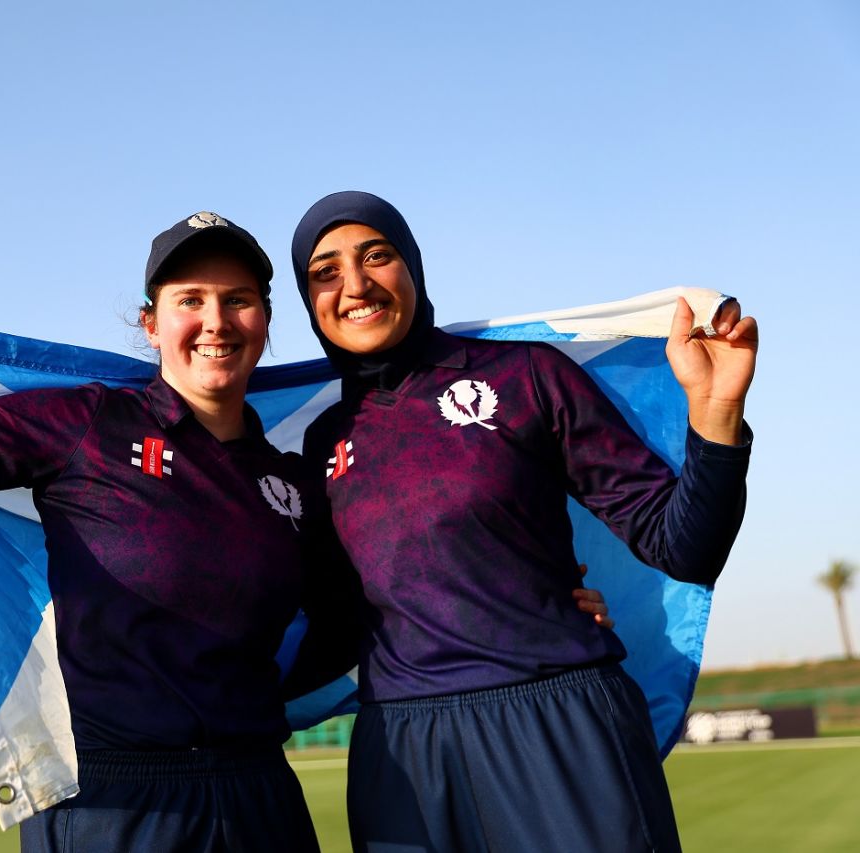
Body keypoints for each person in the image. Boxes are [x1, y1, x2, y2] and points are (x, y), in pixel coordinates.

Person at [0, 209, 612, 850]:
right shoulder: (82, 424)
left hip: (259, 799)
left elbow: (356, 619)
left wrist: (535, 599)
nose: (214, 321)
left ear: (264, 322)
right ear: (149, 322)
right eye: (189, 301)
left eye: (238, 302)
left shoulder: (288, 479)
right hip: (114, 806)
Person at [290, 191, 756, 853]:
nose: (356, 284)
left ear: (413, 268)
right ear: (310, 301)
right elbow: (336, 627)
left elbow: (683, 547)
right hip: (403, 753)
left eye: (377, 256)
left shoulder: (528, 377)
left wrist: (717, 415)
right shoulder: (324, 443)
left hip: (558, 722)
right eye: (325, 271)